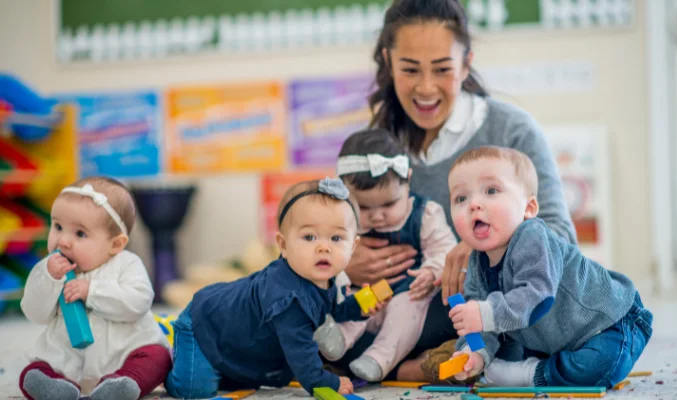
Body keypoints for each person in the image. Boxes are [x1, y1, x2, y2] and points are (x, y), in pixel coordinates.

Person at [335, 0, 577, 382]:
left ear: (466, 64)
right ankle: (407, 365)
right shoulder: (379, 144)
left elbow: (562, 239)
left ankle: (412, 365)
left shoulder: (510, 130)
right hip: (388, 303)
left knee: (473, 324)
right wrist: (346, 256)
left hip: (474, 308)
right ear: (388, 60)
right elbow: (328, 218)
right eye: (410, 69)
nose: (426, 88)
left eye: (443, 70)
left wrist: (483, 244)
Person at [446, 146, 652, 388]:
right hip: (554, 340)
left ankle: (530, 374)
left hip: (609, 322)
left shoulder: (533, 236)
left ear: (528, 208)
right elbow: (485, 325)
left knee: (598, 366)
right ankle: (530, 366)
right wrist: (474, 354)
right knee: (503, 348)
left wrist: (483, 313)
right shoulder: (477, 262)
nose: (473, 205)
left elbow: (537, 297)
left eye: (491, 190)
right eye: (461, 198)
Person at [164, 178, 386, 399]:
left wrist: (359, 306)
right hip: (204, 325)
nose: (324, 247)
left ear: (353, 246)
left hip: (233, 338)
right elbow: (302, 359)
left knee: (231, 380)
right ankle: (165, 365)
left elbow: (333, 308)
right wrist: (328, 382)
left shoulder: (326, 277)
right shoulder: (288, 299)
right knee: (195, 390)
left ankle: (217, 367)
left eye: (336, 238)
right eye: (309, 237)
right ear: (283, 245)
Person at [315, 128, 457, 381]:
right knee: (350, 304)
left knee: (405, 310)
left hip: (410, 293)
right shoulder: (339, 219)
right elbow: (321, 256)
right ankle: (337, 341)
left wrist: (432, 271)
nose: (377, 216)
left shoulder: (424, 213)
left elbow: (444, 249)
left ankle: (379, 359)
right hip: (365, 294)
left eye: (389, 204)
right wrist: (341, 267)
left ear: (408, 181)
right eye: (365, 207)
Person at [19, 177, 171, 400]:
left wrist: (92, 291)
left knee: (159, 357)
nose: (63, 241)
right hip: (67, 359)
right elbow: (34, 313)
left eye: (79, 233)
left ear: (115, 244)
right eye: (58, 226)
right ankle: (55, 387)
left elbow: (138, 301)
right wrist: (49, 279)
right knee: (34, 369)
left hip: (124, 351)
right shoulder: (49, 270)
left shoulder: (126, 264)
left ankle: (122, 384)